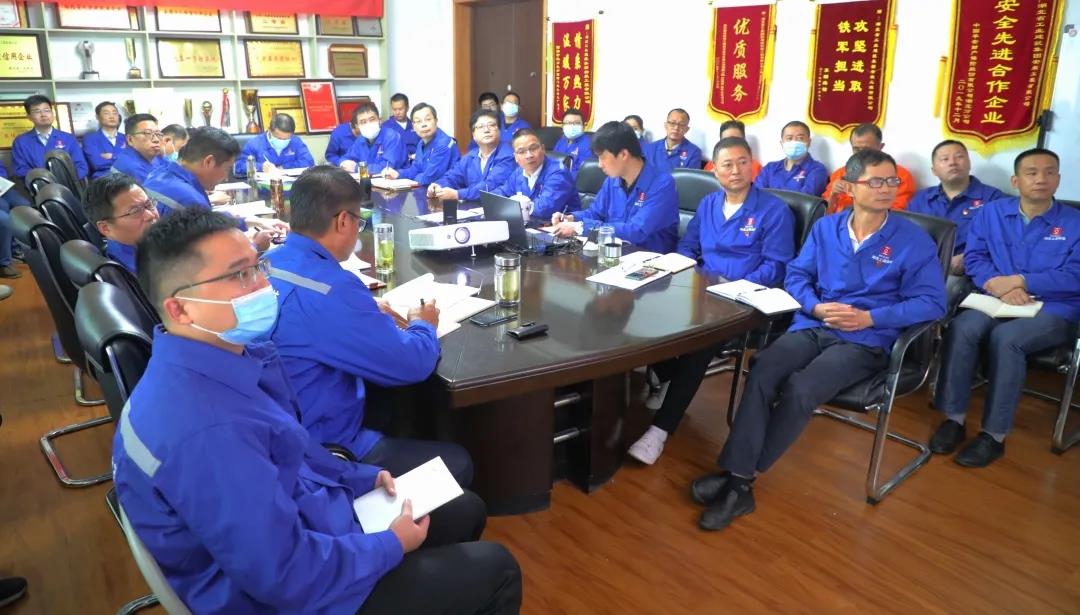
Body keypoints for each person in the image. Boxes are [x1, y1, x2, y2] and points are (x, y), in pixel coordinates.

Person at [116, 207, 522, 615]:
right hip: (290, 596)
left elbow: (293, 451)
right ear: (180, 309)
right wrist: (390, 545)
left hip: (306, 526)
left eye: (259, 267)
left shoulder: (226, 361)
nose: (263, 285)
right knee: (497, 568)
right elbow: (285, 576)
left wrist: (359, 477)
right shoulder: (206, 430)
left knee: (464, 508)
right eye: (240, 275)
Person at [690, 149, 945, 531]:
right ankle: (739, 479)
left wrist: (871, 317)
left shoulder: (913, 240)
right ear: (850, 187)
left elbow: (932, 302)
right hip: (814, 324)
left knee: (802, 388)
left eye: (892, 181)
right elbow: (797, 276)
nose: (887, 188)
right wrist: (815, 306)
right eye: (876, 181)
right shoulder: (827, 228)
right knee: (762, 368)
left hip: (866, 338)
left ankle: (739, 480)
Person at [266, 165, 475, 481]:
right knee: (458, 463)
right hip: (323, 448)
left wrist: (361, 311)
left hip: (279, 424)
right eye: (358, 221)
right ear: (343, 221)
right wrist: (423, 324)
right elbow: (412, 363)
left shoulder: (268, 262)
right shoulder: (332, 289)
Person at [627, 137, 796, 464]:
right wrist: (682, 270)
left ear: (752, 166)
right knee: (642, 305)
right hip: (701, 291)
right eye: (727, 165)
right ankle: (663, 374)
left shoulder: (774, 210)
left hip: (744, 302)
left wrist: (734, 286)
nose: (736, 170)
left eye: (742, 162)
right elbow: (688, 246)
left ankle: (659, 431)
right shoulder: (708, 204)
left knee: (699, 344)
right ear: (715, 171)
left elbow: (776, 265)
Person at [930, 148, 1078, 468]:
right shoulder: (991, 213)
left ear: (1058, 179)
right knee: (962, 328)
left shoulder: (1074, 222)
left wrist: (1021, 281)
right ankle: (953, 419)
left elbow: (1075, 275)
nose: (1041, 179)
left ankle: (993, 436)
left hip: (1053, 307)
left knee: (1006, 339)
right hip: (996, 297)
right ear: (1015, 180)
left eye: (1049, 172)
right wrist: (996, 284)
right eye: (1031, 173)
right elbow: (975, 257)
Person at [143, 127, 283, 250]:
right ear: (209, 162)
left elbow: (205, 220)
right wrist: (255, 245)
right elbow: (212, 258)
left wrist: (251, 221)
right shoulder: (190, 200)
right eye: (227, 168)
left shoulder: (159, 173)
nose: (226, 177)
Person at [551, 121, 678, 252]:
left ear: (623, 154)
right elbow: (595, 213)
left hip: (649, 258)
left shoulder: (662, 184)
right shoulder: (612, 180)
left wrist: (581, 227)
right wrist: (572, 218)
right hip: (613, 253)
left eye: (603, 157)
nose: (599, 165)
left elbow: (637, 231)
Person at [907, 139, 1005, 308]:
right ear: (934, 170)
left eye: (959, 157)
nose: (952, 162)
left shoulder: (993, 199)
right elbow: (907, 239)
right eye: (944, 159)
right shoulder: (921, 199)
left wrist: (968, 257)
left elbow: (1002, 242)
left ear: (969, 163)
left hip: (968, 273)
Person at [822, 123, 915, 213]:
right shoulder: (839, 174)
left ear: (880, 147)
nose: (861, 154)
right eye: (856, 149)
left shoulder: (900, 177)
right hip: (837, 222)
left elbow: (895, 215)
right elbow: (824, 213)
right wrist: (833, 196)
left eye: (866, 150)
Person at [429, 109, 515, 202]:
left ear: (499, 131)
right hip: (473, 207)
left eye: (491, 125)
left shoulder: (508, 155)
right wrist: (438, 186)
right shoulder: (470, 157)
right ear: (474, 135)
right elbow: (452, 177)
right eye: (480, 127)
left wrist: (457, 194)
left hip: (498, 207)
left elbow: (489, 186)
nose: (486, 130)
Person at [493, 128, 580, 220]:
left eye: (533, 148)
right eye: (522, 152)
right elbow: (501, 193)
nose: (529, 155)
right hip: (528, 222)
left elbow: (544, 210)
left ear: (543, 149)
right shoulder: (518, 172)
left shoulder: (558, 173)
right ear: (516, 157)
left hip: (559, 225)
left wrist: (511, 206)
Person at [84, 173, 160, 273]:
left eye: (149, 204)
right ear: (105, 228)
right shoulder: (149, 272)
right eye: (136, 211)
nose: (151, 215)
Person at [11, 94, 89, 181]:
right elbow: (20, 170)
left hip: (68, 185)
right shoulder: (20, 142)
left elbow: (81, 167)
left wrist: (66, 180)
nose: (43, 114)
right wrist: (43, 180)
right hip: (38, 185)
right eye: (37, 111)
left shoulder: (68, 138)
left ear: (52, 113)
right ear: (29, 117)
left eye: (47, 110)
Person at [384, 103, 460, 186]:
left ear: (436, 121)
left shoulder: (444, 143)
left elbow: (429, 178)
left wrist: (414, 177)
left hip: (447, 191)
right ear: (413, 126)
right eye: (418, 121)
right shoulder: (421, 143)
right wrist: (397, 173)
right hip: (427, 190)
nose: (424, 125)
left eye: (428, 119)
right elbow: (415, 169)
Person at [755, 120, 829, 196]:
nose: (794, 142)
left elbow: (803, 199)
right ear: (782, 143)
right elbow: (757, 194)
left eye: (800, 138)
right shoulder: (770, 168)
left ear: (809, 142)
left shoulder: (817, 170)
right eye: (789, 138)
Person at [233, 113, 315, 177]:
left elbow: (308, 161)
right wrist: (261, 167)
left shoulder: (295, 141)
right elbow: (239, 166)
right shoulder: (254, 144)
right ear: (269, 130)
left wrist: (283, 167)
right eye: (279, 138)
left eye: (286, 139)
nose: (282, 141)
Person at [339, 102, 406, 175]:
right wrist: (343, 163)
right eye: (363, 122)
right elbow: (346, 158)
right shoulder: (361, 140)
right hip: (370, 179)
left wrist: (358, 168)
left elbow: (387, 168)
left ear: (380, 120)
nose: (368, 124)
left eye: (372, 119)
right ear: (357, 126)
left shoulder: (392, 137)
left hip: (395, 180)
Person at [111, 113, 163, 183]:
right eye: (147, 133)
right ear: (130, 139)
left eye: (158, 134)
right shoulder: (132, 167)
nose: (156, 140)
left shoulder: (153, 155)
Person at [82, 101, 126, 179]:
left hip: (128, 177)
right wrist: (122, 158)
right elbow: (97, 164)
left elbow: (134, 161)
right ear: (97, 117)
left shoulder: (127, 138)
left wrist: (112, 156)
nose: (112, 116)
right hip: (104, 180)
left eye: (115, 113)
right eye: (106, 113)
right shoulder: (90, 139)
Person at [553, 108, 596, 177]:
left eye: (577, 123)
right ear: (562, 126)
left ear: (583, 126)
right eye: (568, 123)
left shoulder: (588, 144)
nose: (572, 126)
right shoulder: (561, 141)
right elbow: (552, 161)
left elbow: (584, 173)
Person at [381, 92, 419, 161]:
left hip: (415, 163)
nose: (397, 112)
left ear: (407, 108)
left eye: (400, 109)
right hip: (395, 164)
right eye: (394, 109)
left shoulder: (415, 125)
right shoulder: (385, 127)